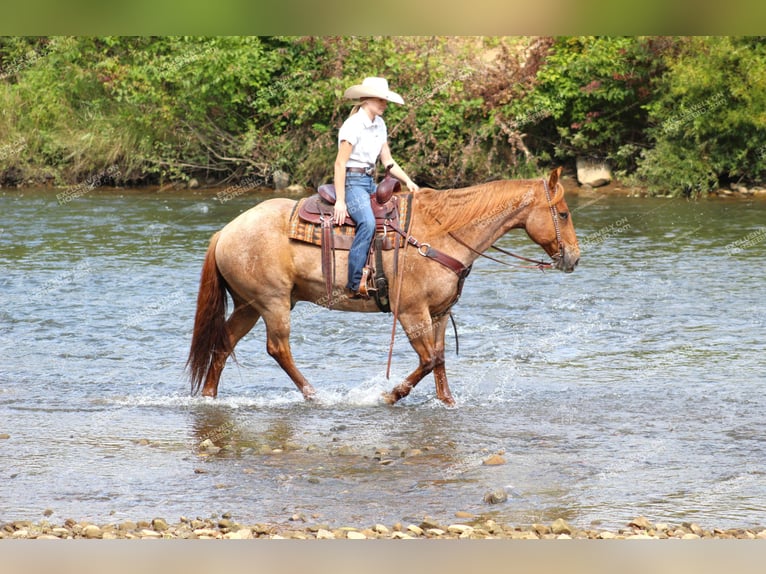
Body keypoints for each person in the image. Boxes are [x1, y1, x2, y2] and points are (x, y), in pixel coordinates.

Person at [333, 77, 419, 299]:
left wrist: (408, 181)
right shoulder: (352, 125)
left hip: (371, 181)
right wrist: (340, 201)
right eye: (380, 99)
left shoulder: (380, 124)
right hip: (352, 182)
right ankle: (353, 284)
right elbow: (340, 163)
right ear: (366, 99)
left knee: (398, 216)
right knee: (368, 222)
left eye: (385, 100)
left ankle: (387, 272)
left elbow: (387, 161)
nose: (384, 104)